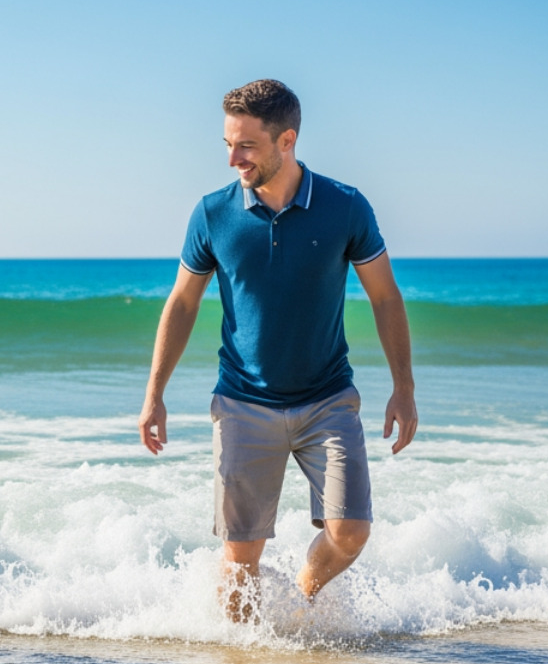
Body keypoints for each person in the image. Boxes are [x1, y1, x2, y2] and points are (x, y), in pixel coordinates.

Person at [137, 79, 417, 620]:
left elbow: (385, 296)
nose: (232, 158)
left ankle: (299, 604)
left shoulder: (345, 207)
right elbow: (182, 303)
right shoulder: (213, 214)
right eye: (227, 144)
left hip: (328, 399)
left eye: (246, 145)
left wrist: (403, 388)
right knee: (241, 556)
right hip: (243, 402)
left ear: (286, 140)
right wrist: (155, 394)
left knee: (350, 532)